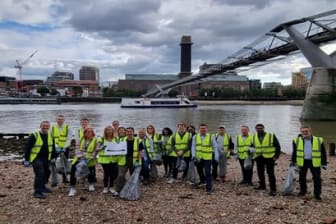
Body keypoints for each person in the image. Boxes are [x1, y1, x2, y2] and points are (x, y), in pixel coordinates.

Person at [291, 126, 327, 200]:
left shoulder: (319, 140)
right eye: (303, 131)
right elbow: (294, 152)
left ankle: (317, 194)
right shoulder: (296, 140)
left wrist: (324, 163)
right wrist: (293, 161)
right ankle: (303, 191)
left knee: (317, 178)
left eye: (306, 131)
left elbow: (323, 152)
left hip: (314, 161)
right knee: (302, 177)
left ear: (310, 131)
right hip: (302, 161)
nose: (305, 133)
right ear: (301, 132)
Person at [23, 121, 56, 199]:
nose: (46, 127)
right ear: (40, 126)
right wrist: (26, 159)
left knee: (47, 172)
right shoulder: (35, 135)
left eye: (47, 126)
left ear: (49, 126)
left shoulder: (50, 135)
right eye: (44, 126)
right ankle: (37, 192)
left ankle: (43, 187)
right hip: (36, 157)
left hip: (46, 157)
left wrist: (53, 157)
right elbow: (28, 148)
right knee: (40, 173)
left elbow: (53, 147)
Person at [68, 127, 98, 196]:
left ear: (92, 133)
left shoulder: (96, 140)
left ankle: (90, 184)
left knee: (90, 173)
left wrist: (91, 157)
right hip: (79, 158)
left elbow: (96, 150)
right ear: (84, 133)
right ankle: (72, 188)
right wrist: (81, 157)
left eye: (90, 132)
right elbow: (77, 148)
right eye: (87, 132)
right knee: (73, 172)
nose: (88, 133)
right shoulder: (80, 139)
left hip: (90, 159)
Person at [253, 123, 281, 196]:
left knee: (270, 174)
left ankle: (273, 189)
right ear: (256, 129)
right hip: (259, 157)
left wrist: (276, 157)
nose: (259, 130)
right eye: (258, 128)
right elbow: (252, 146)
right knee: (260, 173)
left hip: (269, 158)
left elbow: (278, 146)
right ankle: (262, 186)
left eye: (261, 128)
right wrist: (251, 153)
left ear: (263, 128)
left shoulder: (271, 136)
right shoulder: (254, 136)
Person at [114, 127, 142, 196]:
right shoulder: (122, 140)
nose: (129, 133)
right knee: (120, 176)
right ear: (126, 132)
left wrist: (138, 160)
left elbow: (140, 152)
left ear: (133, 132)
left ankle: (134, 190)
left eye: (131, 131)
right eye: (128, 131)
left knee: (134, 176)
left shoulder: (138, 140)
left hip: (134, 160)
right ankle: (118, 190)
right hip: (123, 159)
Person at [191, 123, 218, 194]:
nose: (203, 129)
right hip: (198, 157)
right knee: (199, 171)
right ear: (199, 129)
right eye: (201, 128)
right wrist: (193, 155)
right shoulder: (195, 137)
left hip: (207, 158)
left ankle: (209, 188)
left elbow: (215, 147)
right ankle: (202, 182)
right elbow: (193, 147)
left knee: (208, 172)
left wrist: (216, 156)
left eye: (204, 128)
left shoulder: (211, 136)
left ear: (207, 129)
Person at [50, 115, 72, 185]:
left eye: (62, 119)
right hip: (55, 148)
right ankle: (53, 179)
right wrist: (56, 146)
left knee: (64, 163)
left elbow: (69, 138)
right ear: (56, 120)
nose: (60, 120)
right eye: (59, 119)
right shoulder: (52, 127)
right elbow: (51, 138)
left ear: (64, 120)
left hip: (65, 148)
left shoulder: (68, 127)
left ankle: (64, 178)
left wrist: (64, 147)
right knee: (53, 162)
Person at [97, 126, 118, 194]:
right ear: (105, 131)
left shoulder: (116, 139)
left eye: (110, 130)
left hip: (113, 159)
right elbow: (97, 148)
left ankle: (111, 187)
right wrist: (103, 147)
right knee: (106, 174)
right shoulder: (101, 139)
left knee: (112, 174)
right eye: (107, 130)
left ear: (113, 131)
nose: (109, 131)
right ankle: (105, 187)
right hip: (104, 160)